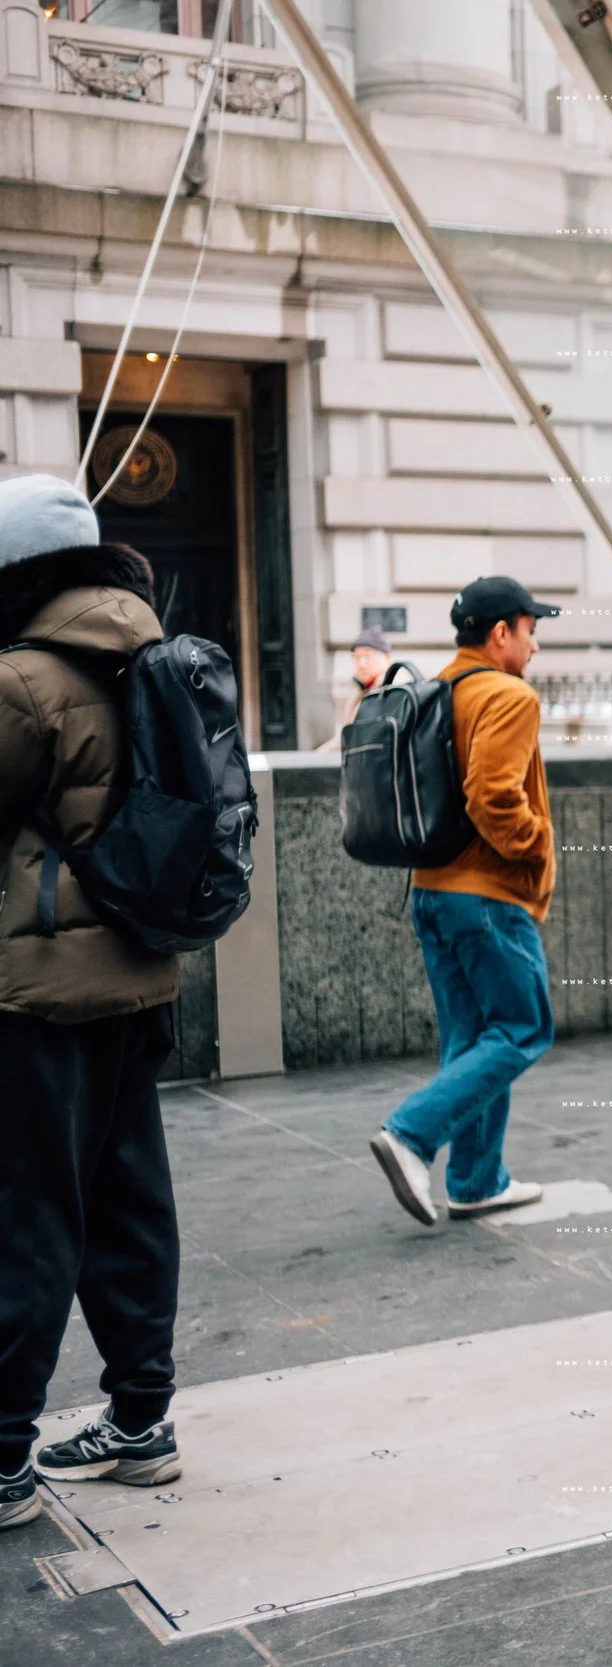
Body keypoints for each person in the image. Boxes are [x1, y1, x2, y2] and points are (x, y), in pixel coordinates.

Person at [0, 476, 185, 1530]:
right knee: (128, 1198)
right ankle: (141, 1419)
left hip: (40, 995)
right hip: (139, 975)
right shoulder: (151, 656)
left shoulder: (22, 680)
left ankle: (3, 1453)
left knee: (29, 1211)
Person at [368, 576, 560, 1227]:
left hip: (432, 892)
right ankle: (411, 1135)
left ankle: (477, 1180)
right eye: (530, 629)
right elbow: (493, 794)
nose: (534, 645)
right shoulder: (508, 696)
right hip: (486, 898)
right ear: (500, 633)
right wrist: (535, 847)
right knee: (525, 1026)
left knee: (473, 1038)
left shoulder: (439, 690)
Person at [317, 623, 415, 749]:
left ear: (386, 658)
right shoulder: (357, 692)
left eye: (367, 656)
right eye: (357, 658)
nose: (362, 663)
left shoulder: (397, 689)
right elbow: (346, 738)